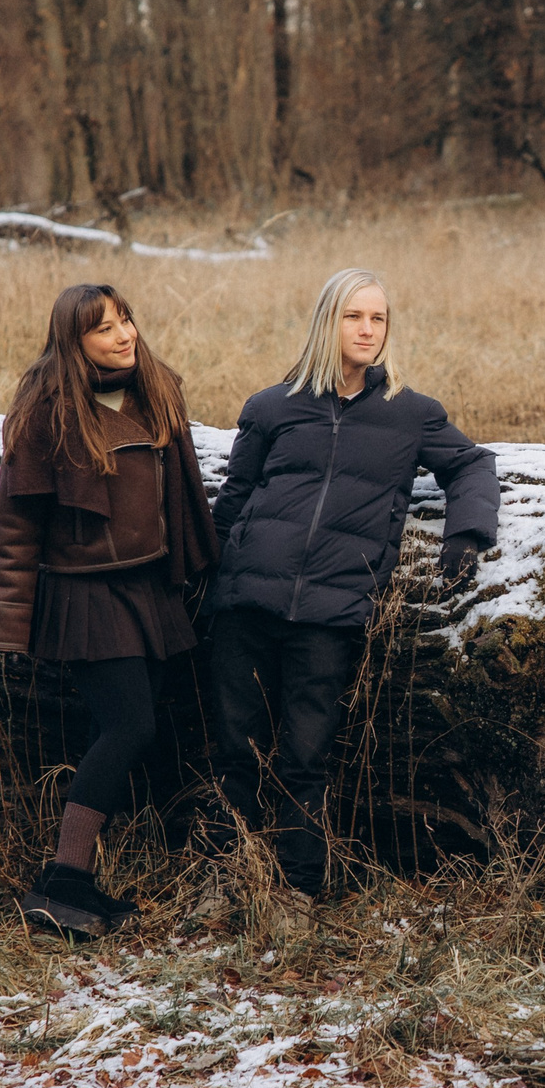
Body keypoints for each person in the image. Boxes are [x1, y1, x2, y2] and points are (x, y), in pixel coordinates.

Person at [203, 268, 499, 912]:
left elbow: (473, 463)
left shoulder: (409, 414)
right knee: (235, 750)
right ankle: (229, 884)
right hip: (245, 604)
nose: (368, 330)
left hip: (332, 613)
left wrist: (467, 534)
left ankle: (297, 891)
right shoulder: (270, 407)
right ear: (326, 323)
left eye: (379, 319)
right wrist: (207, 584)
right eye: (353, 317)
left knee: (306, 757)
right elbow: (235, 500)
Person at [0, 282, 219, 940]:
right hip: (87, 593)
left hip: (150, 589)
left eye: (126, 320)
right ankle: (63, 880)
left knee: (151, 724)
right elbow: (17, 525)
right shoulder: (47, 413)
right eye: (104, 328)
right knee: (128, 727)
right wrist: (1, 622)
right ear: (73, 342)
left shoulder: (156, 391)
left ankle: (97, 876)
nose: (124, 334)